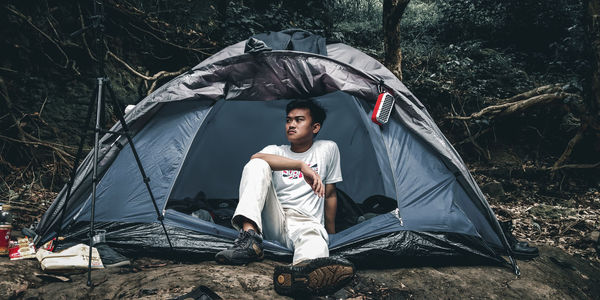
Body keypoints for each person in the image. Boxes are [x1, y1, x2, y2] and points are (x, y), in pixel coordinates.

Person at [215, 99, 355, 296]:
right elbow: (256, 157)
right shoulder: (275, 150)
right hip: (275, 219)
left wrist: (331, 234)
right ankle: (249, 239)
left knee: (313, 243)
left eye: (299, 120)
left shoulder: (327, 149)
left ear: (315, 127)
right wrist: (299, 165)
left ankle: (298, 277)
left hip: (307, 222)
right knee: (256, 165)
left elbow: (330, 194)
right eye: (288, 120)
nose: (291, 125)